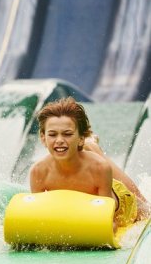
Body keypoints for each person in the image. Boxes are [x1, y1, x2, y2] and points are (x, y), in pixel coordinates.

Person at [29, 96, 148, 229]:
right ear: (43, 138)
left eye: (67, 134)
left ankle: (90, 143)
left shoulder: (100, 168)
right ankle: (89, 142)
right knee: (83, 151)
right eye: (52, 135)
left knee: (145, 210)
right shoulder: (38, 172)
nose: (59, 140)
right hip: (86, 183)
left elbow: (109, 223)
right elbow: (38, 217)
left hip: (120, 202)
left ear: (81, 138)